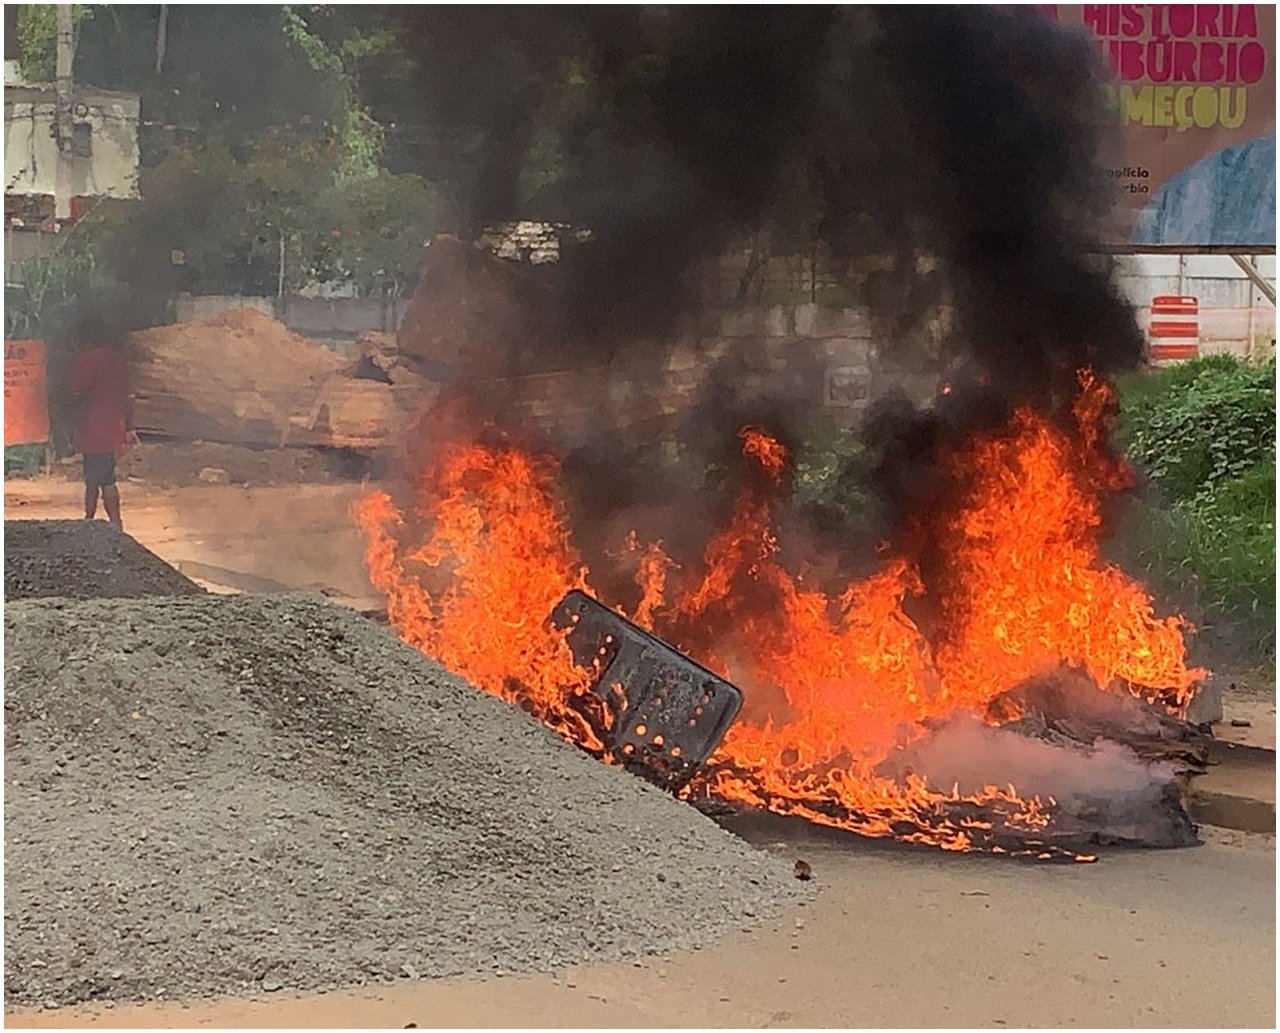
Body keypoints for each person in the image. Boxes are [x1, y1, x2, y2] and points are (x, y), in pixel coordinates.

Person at [70, 317, 135, 530]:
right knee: (103, 474)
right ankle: (103, 521)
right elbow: (128, 397)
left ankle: (104, 523)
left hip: (92, 427)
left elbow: (79, 393)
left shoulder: (87, 359)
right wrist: (128, 427)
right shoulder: (119, 361)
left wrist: (71, 417)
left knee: (98, 479)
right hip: (113, 427)